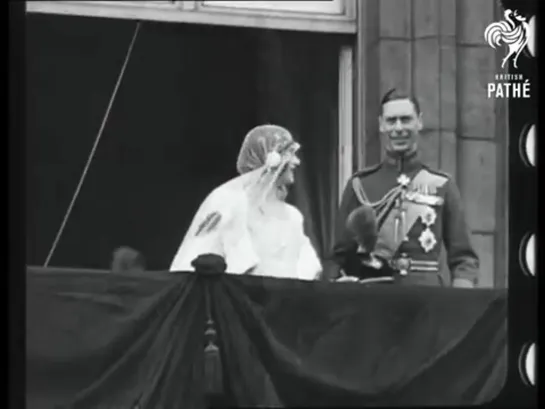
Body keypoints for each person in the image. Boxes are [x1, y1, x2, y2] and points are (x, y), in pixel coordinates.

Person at [328, 89, 479, 288]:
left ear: (420, 122)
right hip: (373, 300)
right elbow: (339, 257)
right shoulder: (360, 185)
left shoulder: (442, 186)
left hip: (427, 301)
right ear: (381, 124)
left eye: (406, 119)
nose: (398, 128)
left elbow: (463, 259)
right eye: (391, 121)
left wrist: (460, 299)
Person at [169, 124, 322, 281]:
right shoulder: (231, 201)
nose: (297, 161)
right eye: (290, 154)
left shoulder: (292, 215)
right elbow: (236, 263)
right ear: (270, 158)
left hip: (287, 300)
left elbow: (308, 269)